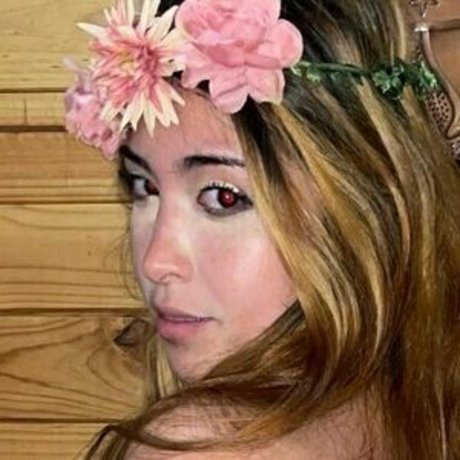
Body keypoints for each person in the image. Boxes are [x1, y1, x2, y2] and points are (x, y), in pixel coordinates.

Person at [64, 0, 460, 458]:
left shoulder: (200, 446)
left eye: (223, 198)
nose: (156, 261)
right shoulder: (417, 410)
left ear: (357, 210)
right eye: (144, 186)